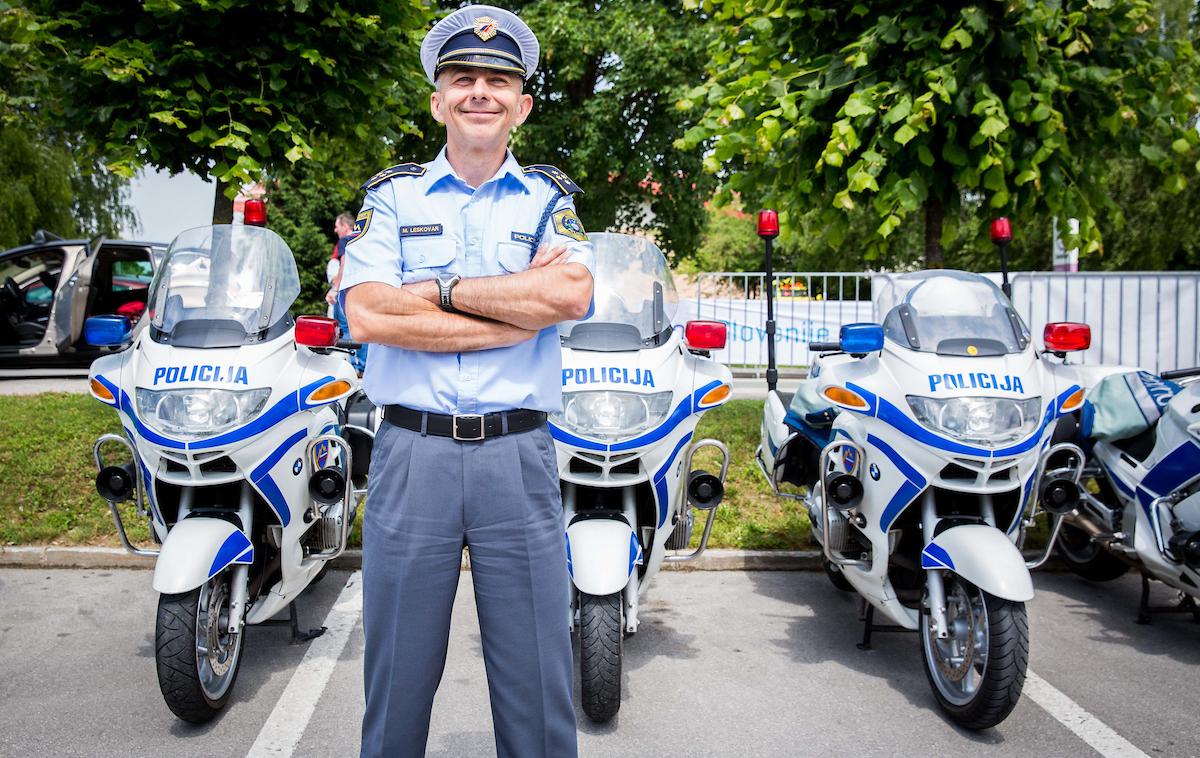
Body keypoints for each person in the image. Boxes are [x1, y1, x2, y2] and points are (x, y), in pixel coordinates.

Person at [339, 6, 594, 757]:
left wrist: (436, 291)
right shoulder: (392, 197)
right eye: (462, 79)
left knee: (537, 682)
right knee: (396, 680)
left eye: (497, 81)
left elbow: (569, 297)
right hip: (410, 456)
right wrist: (511, 305)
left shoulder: (550, 199)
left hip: (516, 458)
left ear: (522, 105)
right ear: (437, 100)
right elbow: (367, 313)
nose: (479, 91)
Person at [326, 212, 367, 372]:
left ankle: (356, 367)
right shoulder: (363, 239)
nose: (336, 230)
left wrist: (335, 289)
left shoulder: (346, 241)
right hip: (364, 290)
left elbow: (344, 263)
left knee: (347, 328)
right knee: (364, 328)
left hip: (348, 291)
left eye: (337, 226)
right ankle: (364, 365)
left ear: (345, 226)